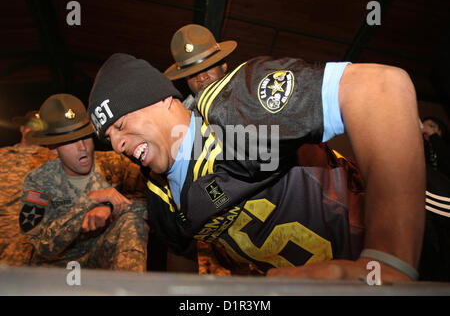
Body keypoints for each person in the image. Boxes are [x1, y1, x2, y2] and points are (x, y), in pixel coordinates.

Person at [88, 53, 424, 282]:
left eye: (120, 124)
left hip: (426, 241)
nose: (117, 145)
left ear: (162, 98)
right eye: (109, 137)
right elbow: (181, 255)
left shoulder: (230, 111)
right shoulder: (161, 196)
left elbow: (380, 87)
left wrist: (388, 260)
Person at [164, 24, 364, 276]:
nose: (202, 77)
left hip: (332, 199)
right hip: (287, 255)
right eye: (193, 74)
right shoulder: (185, 134)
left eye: (207, 67)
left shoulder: (251, 88)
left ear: (224, 64)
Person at [20, 94, 148, 271]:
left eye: (85, 136)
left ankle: (130, 290)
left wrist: (111, 209)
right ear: (53, 149)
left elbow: (156, 206)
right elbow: (42, 245)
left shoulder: (115, 165)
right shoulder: (37, 182)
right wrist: (90, 201)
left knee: (131, 221)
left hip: (100, 259)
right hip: (57, 268)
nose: (82, 147)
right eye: (70, 141)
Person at [0, 111, 57, 266]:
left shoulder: (54, 159)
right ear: (22, 128)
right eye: (30, 126)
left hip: (24, 239)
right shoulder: (3, 155)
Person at [418, 116, 450, 281]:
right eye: (424, 125)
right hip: (430, 207)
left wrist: (435, 138)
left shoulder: (443, 148)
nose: (425, 128)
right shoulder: (424, 151)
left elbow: (446, 163)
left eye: (431, 126)